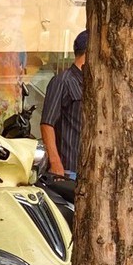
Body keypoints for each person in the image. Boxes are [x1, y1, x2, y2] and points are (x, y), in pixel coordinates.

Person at [40, 30, 87, 179]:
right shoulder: (63, 81)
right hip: (69, 168)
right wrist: (55, 162)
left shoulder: (93, 83)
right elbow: (47, 123)